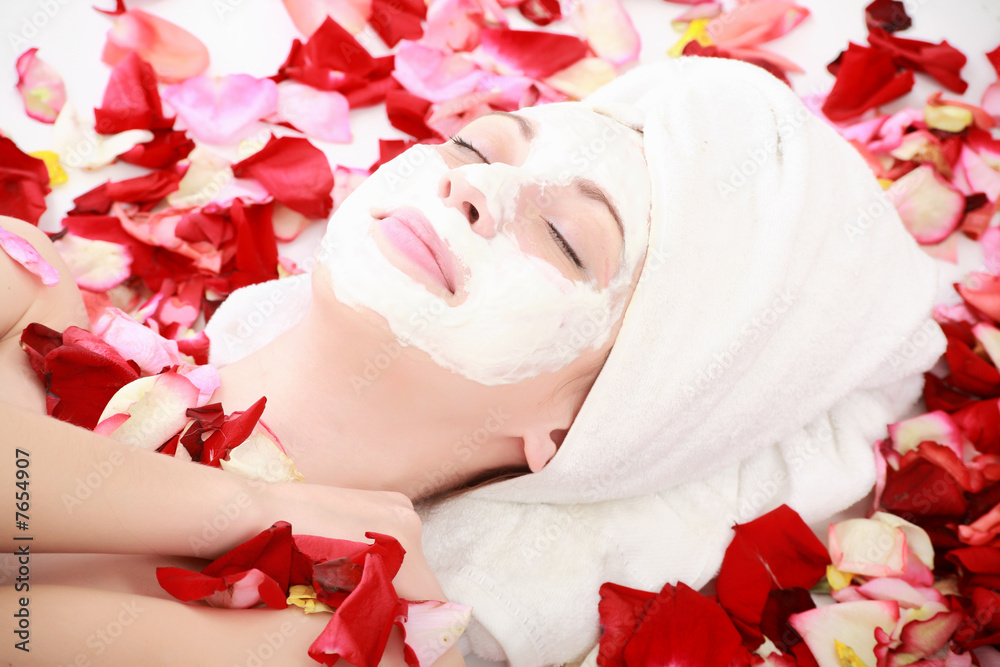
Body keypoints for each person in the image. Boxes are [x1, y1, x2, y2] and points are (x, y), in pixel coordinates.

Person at [0, 57, 946, 666]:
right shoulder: (23, 291)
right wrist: (249, 507)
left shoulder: (347, 644)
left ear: (577, 427)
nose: (478, 186)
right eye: (476, 144)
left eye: (569, 239)